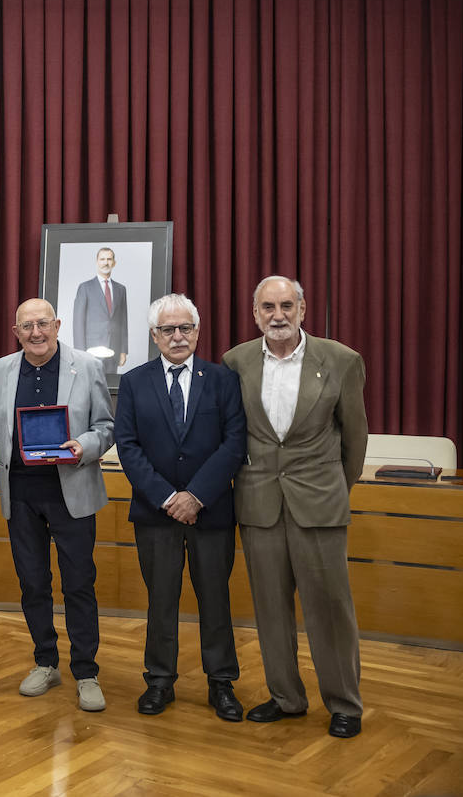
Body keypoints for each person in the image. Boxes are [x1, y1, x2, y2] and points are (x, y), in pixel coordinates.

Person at [223, 276, 368, 739]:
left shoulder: (341, 360)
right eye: (268, 307)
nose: (278, 315)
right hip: (259, 503)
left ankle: (344, 702)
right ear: (255, 313)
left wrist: (332, 488)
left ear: (303, 309)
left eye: (287, 305)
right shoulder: (236, 362)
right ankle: (286, 697)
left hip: (320, 504)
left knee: (329, 607)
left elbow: (355, 440)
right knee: (270, 607)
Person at [113, 293, 247, 721]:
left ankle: (221, 682)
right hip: (156, 514)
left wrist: (196, 496)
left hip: (211, 512)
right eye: (168, 329)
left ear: (197, 331)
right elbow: (128, 447)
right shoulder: (134, 382)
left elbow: (234, 443)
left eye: (185, 328)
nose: (177, 336)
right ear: (154, 336)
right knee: (161, 599)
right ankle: (159, 680)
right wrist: (170, 498)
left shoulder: (223, 380)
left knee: (215, 598)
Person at [0, 298, 114, 711]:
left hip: (70, 489)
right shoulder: (0, 370)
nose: (36, 333)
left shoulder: (87, 367)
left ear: (57, 325)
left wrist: (84, 446)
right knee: (33, 583)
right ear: (15, 331)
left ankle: (86, 670)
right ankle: (45, 661)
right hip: (21, 493)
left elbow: (106, 427)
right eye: (27, 326)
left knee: (79, 583)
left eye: (43, 324)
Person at [72, 247, 129, 372]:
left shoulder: (121, 289)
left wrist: (123, 351)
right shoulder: (85, 288)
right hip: (91, 351)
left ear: (114, 263)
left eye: (109, 259)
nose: (106, 262)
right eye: (102, 259)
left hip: (114, 349)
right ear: (97, 262)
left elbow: (123, 322)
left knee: (110, 390)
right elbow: (78, 323)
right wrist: (80, 353)